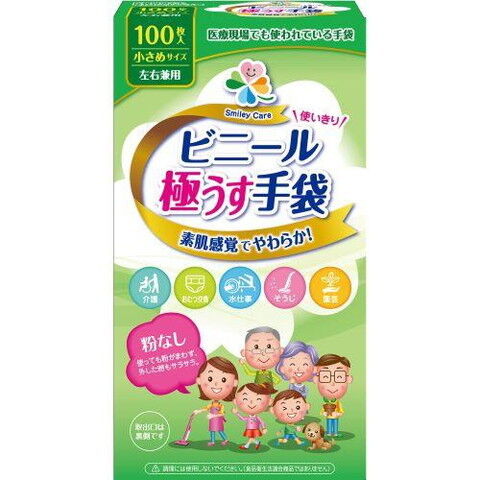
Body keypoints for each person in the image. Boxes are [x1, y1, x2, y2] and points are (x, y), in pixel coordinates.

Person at [194, 356, 238, 446]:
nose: (216, 383)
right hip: (212, 420)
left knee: (220, 430)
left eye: (223, 380)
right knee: (212, 431)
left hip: (217, 420)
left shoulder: (221, 406)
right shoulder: (211, 404)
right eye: (210, 379)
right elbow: (206, 408)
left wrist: (213, 415)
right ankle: (212, 441)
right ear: (199, 380)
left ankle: (225, 439)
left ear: (234, 382)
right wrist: (198, 411)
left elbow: (222, 413)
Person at [314, 354, 353, 437]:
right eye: (325, 376)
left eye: (339, 376)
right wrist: (324, 413)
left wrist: (338, 414)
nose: (332, 383)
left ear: (349, 379)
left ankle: (335, 432)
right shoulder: (326, 402)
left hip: (335, 416)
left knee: (335, 424)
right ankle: (329, 432)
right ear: (316, 379)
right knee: (328, 423)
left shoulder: (337, 403)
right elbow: (323, 410)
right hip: (328, 416)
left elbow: (340, 410)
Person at [233, 382, 277, 450]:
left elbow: (262, 422)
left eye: (258, 399)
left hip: (254, 429)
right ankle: (257, 442)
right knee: (251, 438)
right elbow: (243, 419)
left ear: (269, 401)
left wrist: (264, 428)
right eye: (245, 399)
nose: (251, 402)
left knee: (251, 438)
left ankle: (246, 446)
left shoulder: (257, 417)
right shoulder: (248, 417)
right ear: (236, 401)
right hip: (249, 429)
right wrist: (237, 413)